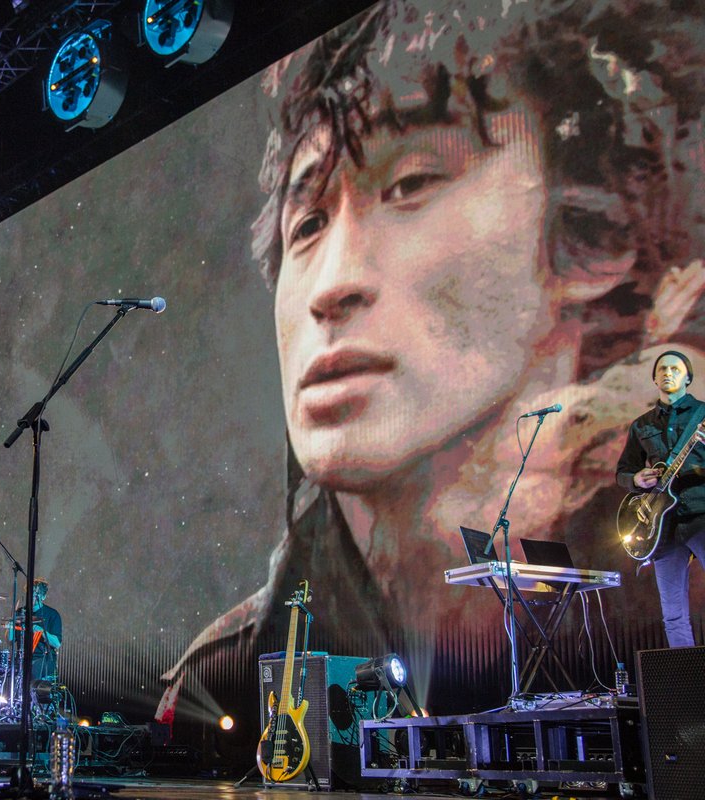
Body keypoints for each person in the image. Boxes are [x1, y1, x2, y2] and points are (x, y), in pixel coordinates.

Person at [160, 0, 705, 726]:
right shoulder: (225, 679)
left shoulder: (678, 588)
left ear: (590, 226)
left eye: (412, 183)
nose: (330, 287)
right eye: (308, 224)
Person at [616, 351, 705, 647]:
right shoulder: (642, 425)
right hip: (661, 530)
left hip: (700, 516)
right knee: (673, 615)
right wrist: (636, 480)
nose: (668, 372)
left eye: (675, 369)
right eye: (662, 369)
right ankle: (687, 686)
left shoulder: (701, 415)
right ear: (655, 378)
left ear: (688, 378)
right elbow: (623, 472)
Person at [10, 577, 62, 682]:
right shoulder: (20, 613)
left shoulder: (52, 614)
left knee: (33, 671)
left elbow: (57, 643)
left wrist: (41, 631)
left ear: (43, 596)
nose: (31, 597)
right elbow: (10, 639)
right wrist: (12, 620)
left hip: (43, 659)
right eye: (29, 593)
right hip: (22, 658)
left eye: (35, 594)